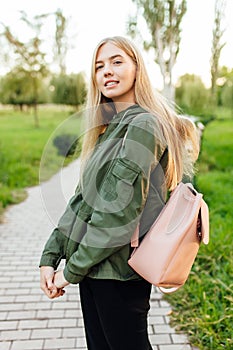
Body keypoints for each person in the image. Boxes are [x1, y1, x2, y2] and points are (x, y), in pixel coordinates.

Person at [39, 36, 200, 350]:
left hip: (119, 274)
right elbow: (82, 201)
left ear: (137, 68)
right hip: (94, 271)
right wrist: (51, 256)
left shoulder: (144, 125)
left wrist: (69, 272)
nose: (106, 72)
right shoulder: (110, 128)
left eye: (116, 62)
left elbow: (118, 215)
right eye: (99, 66)